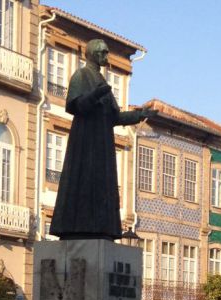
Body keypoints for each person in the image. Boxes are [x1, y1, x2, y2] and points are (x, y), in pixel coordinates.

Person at [49, 39, 157, 240]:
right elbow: (73, 106)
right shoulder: (81, 75)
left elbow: (115, 117)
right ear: (92, 54)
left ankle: (100, 228)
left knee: (101, 185)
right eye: (103, 53)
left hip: (103, 143)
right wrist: (95, 94)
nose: (106, 57)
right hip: (85, 139)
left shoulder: (102, 81)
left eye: (107, 53)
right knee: (83, 181)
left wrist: (140, 115)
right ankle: (78, 227)